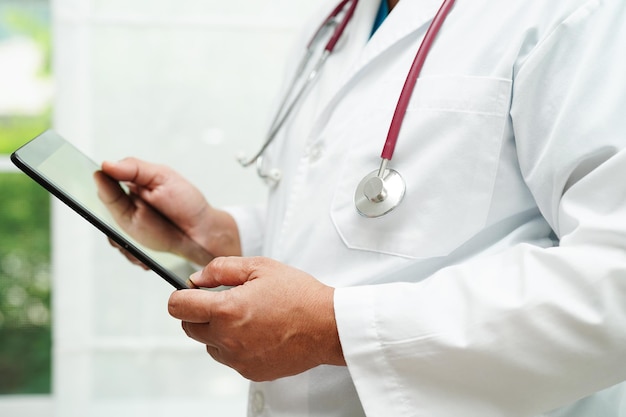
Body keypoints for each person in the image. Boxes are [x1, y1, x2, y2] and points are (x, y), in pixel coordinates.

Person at [97, 0, 626, 415]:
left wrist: (333, 328)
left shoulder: (577, 12)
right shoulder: (334, 23)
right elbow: (351, 224)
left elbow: (612, 279)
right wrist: (215, 236)